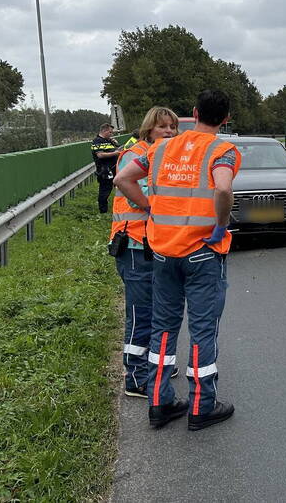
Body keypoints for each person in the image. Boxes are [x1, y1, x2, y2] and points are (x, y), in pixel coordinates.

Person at [114, 89, 240, 431]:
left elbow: (123, 179)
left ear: (195, 112)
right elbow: (224, 189)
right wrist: (220, 224)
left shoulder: (161, 148)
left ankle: (160, 402)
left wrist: (150, 207)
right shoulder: (222, 150)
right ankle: (202, 407)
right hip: (202, 253)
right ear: (226, 118)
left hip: (162, 251)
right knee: (202, 330)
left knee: (163, 329)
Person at [110, 107, 179, 397]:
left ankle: (153, 364)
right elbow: (140, 192)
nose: (169, 132)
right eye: (162, 127)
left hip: (151, 245)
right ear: (149, 129)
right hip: (134, 245)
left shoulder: (160, 156)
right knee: (140, 314)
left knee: (156, 310)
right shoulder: (134, 155)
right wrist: (161, 204)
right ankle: (136, 378)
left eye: (173, 128)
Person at [92, 123, 120, 213]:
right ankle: (103, 211)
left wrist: (115, 143)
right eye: (110, 132)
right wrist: (115, 153)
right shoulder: (97, 141)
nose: (111, 134)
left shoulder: (108, 140)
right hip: (104, 171)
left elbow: (116, 149)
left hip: (113, 168)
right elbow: (100, 155)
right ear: (104, 131)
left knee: (120, 187)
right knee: (105, 191)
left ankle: (118, 207)